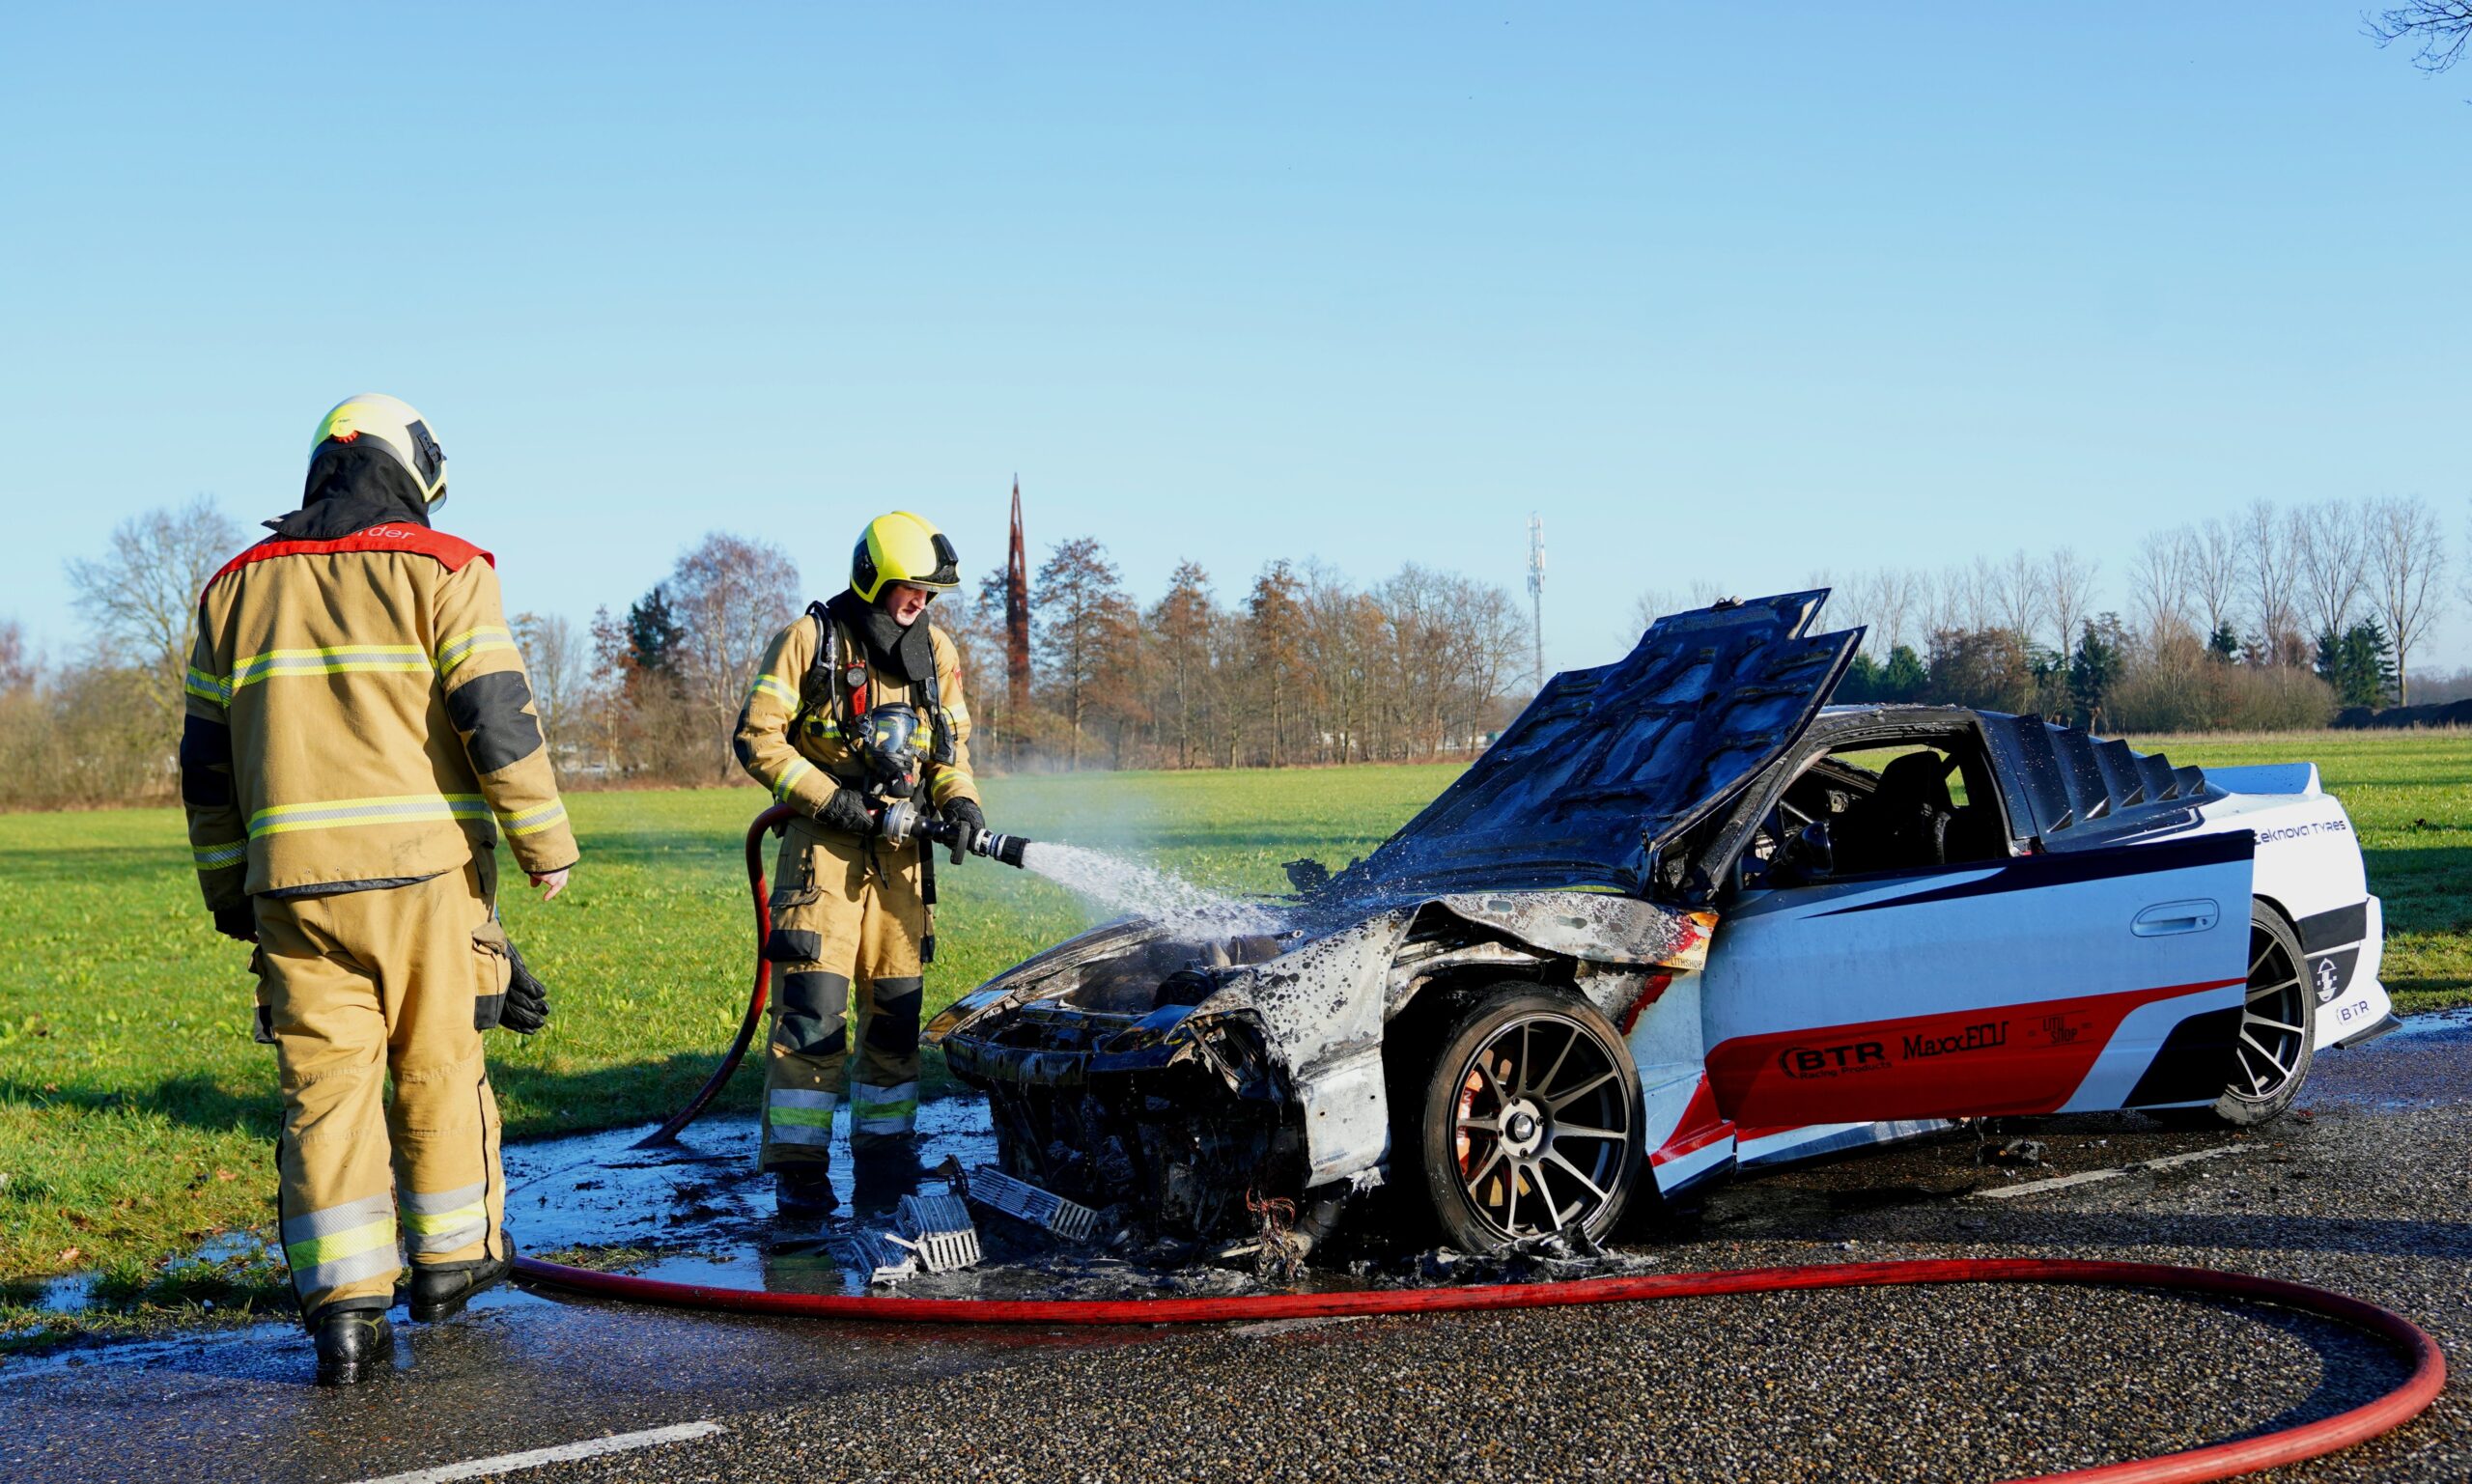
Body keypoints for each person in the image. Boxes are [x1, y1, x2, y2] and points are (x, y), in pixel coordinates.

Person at [181, 395, 576, 1385]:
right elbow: (496, 716)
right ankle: (450, 1269)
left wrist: (231, 889)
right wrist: (544, 842)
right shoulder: (446, 569)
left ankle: (347, 1316)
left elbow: (207, 765)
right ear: (416, 473)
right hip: (424, 878)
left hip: (294, 893)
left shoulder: (233, 588)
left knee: (325, 1094)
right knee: (440, 1067)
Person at [733, 511, 987, 1215]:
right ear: (873, 577)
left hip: (903, 859)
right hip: (823, 853)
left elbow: (949, 754)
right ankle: (800, 1174)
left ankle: (885, 1161)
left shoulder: (936, 653)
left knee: (895, 1019)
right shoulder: (809, 640)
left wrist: (961, 803)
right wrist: (831, 800)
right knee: (811, 1019)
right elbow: (757, 737)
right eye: (912, 589)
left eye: (930, 595)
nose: (921, 604)